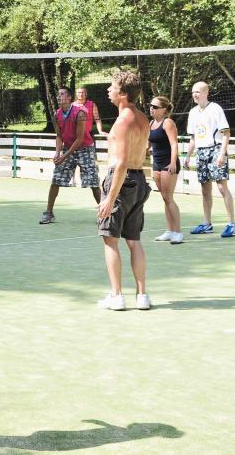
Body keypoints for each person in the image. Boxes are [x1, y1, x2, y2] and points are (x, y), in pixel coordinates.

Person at [96, 71, 152, 312]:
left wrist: (110, 198)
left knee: (110, 240)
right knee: (134, 240)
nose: (108, 90)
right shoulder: (143, 118)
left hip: (122, 181)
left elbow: (120, 164)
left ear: (123, 94)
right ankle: (142, 296)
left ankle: (116, 296)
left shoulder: (122, 122)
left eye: (112, 87)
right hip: (139, 179)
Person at [183, 81, 235, 237]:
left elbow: (226, 133)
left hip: (216, 149)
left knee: (221, 187)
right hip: (201, 152)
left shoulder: (215, 109)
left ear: (206, 93)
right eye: (193, 92)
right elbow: (193, 138)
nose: (195, 95)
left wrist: (222, 153)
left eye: (198, 92)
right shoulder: (193, 112)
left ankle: (231, 224)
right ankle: (206, 223)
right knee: (205, 190)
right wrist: (187, 156)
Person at [40, 87, 92, 224]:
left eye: (62, 94)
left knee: (93, 182)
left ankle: (106, 215)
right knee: (56, 180)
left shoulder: (80, 113)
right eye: (58, 95)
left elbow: (80, 139)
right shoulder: (57, 114)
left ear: (69, 97)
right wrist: (57, 153)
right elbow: (59, 135)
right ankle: (49, 213)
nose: (59, 97)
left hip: (85, 149)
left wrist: (64, 156)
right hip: (68, 148)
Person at [149, 96, 183, 244]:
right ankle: (169, 231)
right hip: (156, 164)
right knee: (165, 198)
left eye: (155, 107)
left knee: (168, 198)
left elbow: (174, 144)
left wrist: (173, 162)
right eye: (151, 106)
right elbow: (148, 145)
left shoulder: (168, 122)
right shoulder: (151, 123)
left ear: (164, 109)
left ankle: (178, 232)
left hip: (168, 164)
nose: (152, 109)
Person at [74, 87, 106, 202]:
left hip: (87, 139)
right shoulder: (72, 106)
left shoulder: (91, 104)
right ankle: (74, 180)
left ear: (86, 94)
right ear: (76, 94)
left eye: (83, 92)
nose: (81, 94)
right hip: (74, 139)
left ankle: (91, 182)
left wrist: (100, 130)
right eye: (79, 92)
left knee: (90, 164)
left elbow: (97, 119)